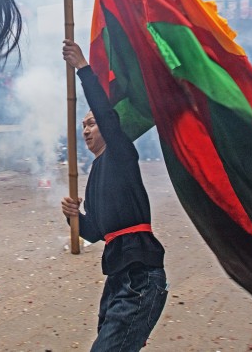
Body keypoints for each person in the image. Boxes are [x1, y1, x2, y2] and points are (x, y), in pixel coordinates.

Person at [59, 40, 168, 351]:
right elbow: (95, 233)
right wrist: (73, 217)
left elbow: (107, 114)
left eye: (91, 123)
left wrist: (83, 69)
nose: (86, 129)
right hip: (118, 277)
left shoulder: (121, 153)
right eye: (83, 126)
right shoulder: (95, 172)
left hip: (140, 275)